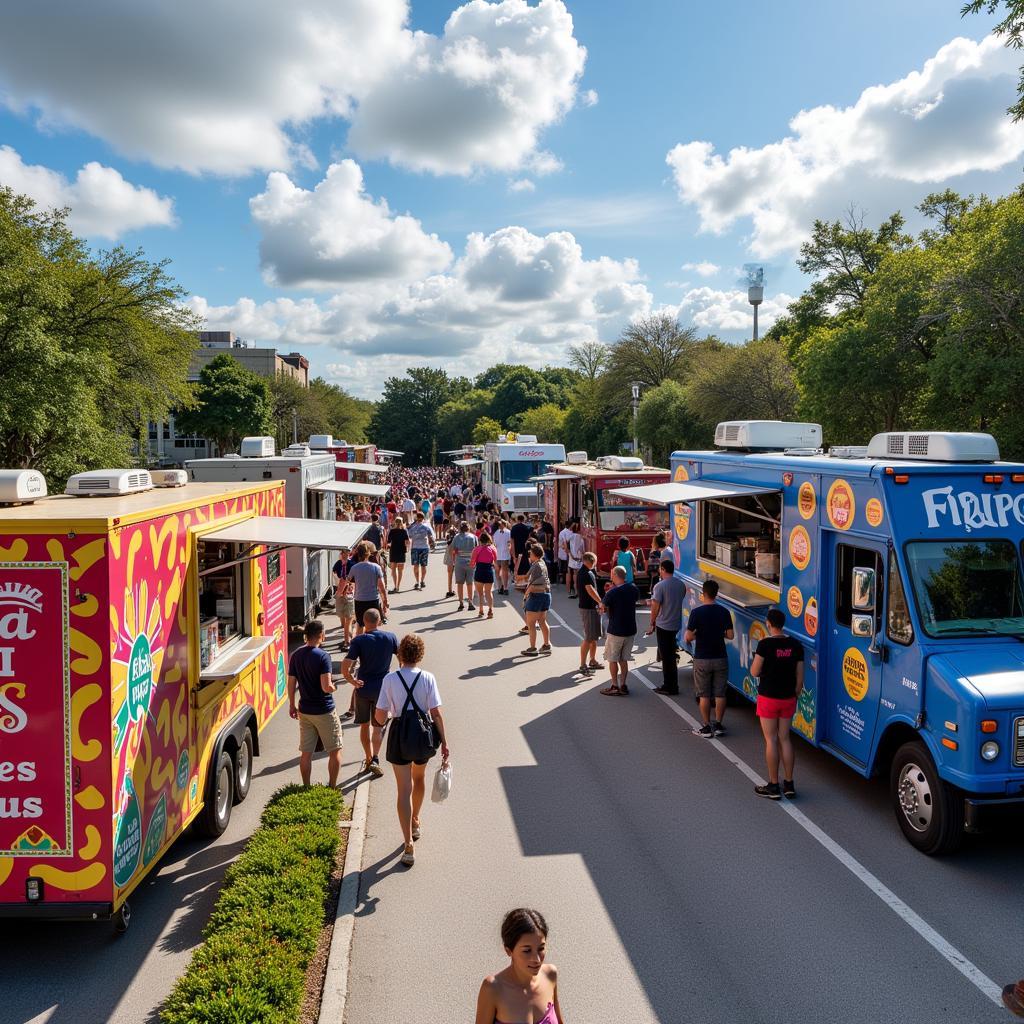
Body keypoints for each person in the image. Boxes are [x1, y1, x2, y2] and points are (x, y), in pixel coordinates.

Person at [374, 633, 449, 867]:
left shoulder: (390, 679)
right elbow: (435, 712)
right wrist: (445, 742)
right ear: (420, 654)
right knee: (419, 778)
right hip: (422, 735)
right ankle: (416, 820)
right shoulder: (428, 677)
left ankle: (408, 843)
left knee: (403, 788)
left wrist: (384, 718)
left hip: (399, 734)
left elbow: (380, 715)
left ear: (400, 655)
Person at [750, 608, 804, 799]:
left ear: (769, 624)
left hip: (768, 698)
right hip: (788, 698)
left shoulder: (764, 645)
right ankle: (789, 784)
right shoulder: (796, 645)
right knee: (785, 739)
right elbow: (800, 679)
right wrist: (794, 695)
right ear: (783, 624)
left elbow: (755, 672)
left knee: (771, 740)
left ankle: (773, 786)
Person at [475, 908, 563, 1024]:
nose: (536, 959)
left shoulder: (550, 975)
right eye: (527, 950)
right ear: (508, 951)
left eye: (541, 948)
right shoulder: (493, 988)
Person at [341, 608, 399, 779]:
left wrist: (351, 680)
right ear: (379, 621)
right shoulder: (390, 638)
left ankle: (368, 757)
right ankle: (375, 758)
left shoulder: (359, 641)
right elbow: (402, 659)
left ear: (364, 623)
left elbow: (346, 665)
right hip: (383, 689)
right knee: (378, 726)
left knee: (364, 725)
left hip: (363, 689)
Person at [287, 620, 342, 787]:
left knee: (306, 753)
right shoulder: (323, 656)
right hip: (324, 710)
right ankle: (332, 786)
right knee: (335, 750)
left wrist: (292, 704)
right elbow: (326, 687)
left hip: (304, 710)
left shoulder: (296, 654)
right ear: (321, 636)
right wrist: (334, 687)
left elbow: (291, 683)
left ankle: (306, 786)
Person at [684, 578, 735, 737]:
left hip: (702, 658)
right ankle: (718, 724)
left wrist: (698, 633)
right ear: (716, 594)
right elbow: (730, 635)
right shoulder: (724, 612)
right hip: (720, 656)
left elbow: (688, 637)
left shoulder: (696, 613)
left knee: (704, 694)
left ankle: (706, 726)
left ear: (703, 594)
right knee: (720, 693)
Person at [645, 559, 685, 695]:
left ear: (662, 569)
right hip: (676, 623)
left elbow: (655, 606)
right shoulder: (680, 584)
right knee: (670, 655)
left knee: (667, 657)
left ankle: (670, 686)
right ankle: (671, 684)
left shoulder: (659, 586)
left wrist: (652, 623)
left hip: (664, 624)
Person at [599, 565, 639, 696]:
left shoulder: (612, 592)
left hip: (616, 630)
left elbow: (603, 607)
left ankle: (614, 685)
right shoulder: (633, 588)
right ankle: (623, 685)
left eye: (612, 574)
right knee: (624, 659)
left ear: (615, 575)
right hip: (630, 629)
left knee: (613, 658)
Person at [350, 541, 389, 634]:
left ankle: (359, 644)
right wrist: (385, 601)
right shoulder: (376, 567)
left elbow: (348, 581)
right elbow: (382, 587)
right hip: (373, 599)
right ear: (369, 554)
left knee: (360, 624)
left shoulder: (354, 568)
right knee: (374, 624)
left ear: (358, 554)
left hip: (359, 600)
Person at [521, 544, 552, 657]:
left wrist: (525, 595)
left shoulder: (535, 566)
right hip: (546, 594)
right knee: (542, 621)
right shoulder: (542, 563)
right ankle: (546, 645)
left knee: (531, 623)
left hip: (536, 595)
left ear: (534, 554)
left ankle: (533, 648)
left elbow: (533, 584)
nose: (529, 555)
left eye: (530, 553)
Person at [576, 551, 603, 676]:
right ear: (589, 561)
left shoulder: (589, 572)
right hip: (588, 608)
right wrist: (600, 602)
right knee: (588, 637)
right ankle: (583, 664)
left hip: (592, 608)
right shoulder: (584, 573)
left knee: (594, 636)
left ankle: (592, 660)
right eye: (594, 562)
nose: (595, 564)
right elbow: (590, 590)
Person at [450, 520, 478, 611]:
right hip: (471, 562)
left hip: (459, 562)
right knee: (470, 583)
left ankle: (461, 603)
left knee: (460, 583)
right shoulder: (473, 537)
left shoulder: (456, 537)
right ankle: (470, 602)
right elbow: (477, 549)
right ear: (468, 528)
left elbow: (452, 550)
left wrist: (454, 561)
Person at [331, 545, 354, 653]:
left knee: (348, 619)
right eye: (343, 552)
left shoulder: (352, 564)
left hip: (349, 594)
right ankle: (347, 636)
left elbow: (352, 580)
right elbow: (334, 573)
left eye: (345, 552)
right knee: (342, 616)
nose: (343, 554)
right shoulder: (338, 564)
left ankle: (348, 641)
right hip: (339, 594)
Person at [471, 530, 498, 619]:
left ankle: (481, 610)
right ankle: (490, 610)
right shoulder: (493, 548)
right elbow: (495, 560)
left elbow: (472, 564)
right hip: (489, 571)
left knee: (480, 593)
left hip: (479, 571)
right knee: (488, 592)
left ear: (480, 540)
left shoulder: (476, 549)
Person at [407, 511, 436, 591]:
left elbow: (409, 536)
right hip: (424, 547)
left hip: (415, 547)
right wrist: (432, 544)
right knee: (423, 565)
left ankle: (417, 581)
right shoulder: (427, 527)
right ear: (423, 518)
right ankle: (422, 581)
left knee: (416, 565)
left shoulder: (412, 527)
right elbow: (431, 537)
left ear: (416, 518)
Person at [388, 515, 409, 592]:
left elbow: (388, 541)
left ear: (395, 522)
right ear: (402, 523)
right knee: (400, 570)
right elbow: (407, 542)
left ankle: (395, 585)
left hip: (393, 551)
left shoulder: (392, 531)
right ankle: (398, 586)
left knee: (393, 569)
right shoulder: (404, 531)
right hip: (401, 551)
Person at [510, 513, 532, 585]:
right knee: (525, 565)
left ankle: (518, 581)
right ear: (524, 519)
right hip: (524, 549)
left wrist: (513, 554)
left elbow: (512, 542)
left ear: (517, 519)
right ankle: (525, 581)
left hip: (516, 549)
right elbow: (528, 540)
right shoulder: (527, 528)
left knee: (517, 566)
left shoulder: (514, 528)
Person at [493, 518, 512, 595]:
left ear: (504, 524)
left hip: (505, 554)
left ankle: (505, 588)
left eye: (500, 524)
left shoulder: (508, 532)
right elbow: (494, 543)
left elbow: (510, 543)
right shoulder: (496, 533)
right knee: (497, 571)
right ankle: (499, 587)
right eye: (498, 524)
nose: (499, 525)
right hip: (497, 555)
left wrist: (509, 551)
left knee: (504, 572)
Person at [566, 521, 585, 599]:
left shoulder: (570, 536)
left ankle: (573, 591)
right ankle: (578, 592)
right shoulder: (581, 537)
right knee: (578, 575)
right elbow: (583, 550)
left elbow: (566, 546)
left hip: (572, 557)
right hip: (579, 558)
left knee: (574, 574)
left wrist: (571, 555)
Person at [556, 521, 572, 587]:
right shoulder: (570, 532)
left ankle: (564, 581)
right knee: (567, 568)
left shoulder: (562, 532)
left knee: (564, 568)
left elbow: (560, 544)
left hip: (563, 553)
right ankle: (567, 581)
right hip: (567, 553)